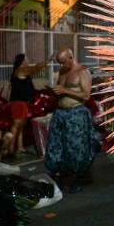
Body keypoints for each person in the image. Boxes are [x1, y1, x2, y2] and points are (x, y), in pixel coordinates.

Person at [45, 48, 95, 193]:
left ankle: (77, 178)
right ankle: (60, 175)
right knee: (56, 145)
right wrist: (54, 92)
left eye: (63, 63)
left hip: (76, 114)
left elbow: (86, 96)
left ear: (70, 57)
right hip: (61, 113)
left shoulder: (82, 72)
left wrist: (65, 91)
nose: (61, 66)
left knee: (76, 147)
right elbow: (60, 90)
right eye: (59, 63)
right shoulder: (62, 72)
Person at [9, 53, 53, 155]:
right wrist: (48, 60)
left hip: (23, 101)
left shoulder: (23, 72)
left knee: (21, 125)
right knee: (17, 124)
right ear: (22, 61)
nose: (28, 61)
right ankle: (11, 148)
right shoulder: (21, 70)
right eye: (26, 59)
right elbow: (36, 68)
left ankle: (20, 147)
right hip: (18, 101)